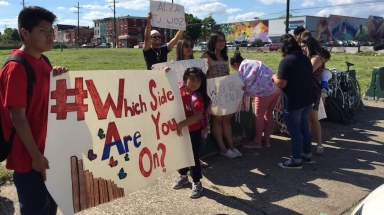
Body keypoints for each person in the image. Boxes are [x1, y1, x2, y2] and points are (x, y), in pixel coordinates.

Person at [0, 6, 68, 214]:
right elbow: (17, 117)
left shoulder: (44, 62)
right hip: (29, 159)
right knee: (35, 210)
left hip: (47, 153)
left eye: (51, 31)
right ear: (25, 33)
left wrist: (57, 77)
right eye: (43, 31)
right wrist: (36, 156)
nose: (50, 36)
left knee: (50, 208)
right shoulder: (16, 68)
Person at [271, 34, 314, 169]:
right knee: (304, 129)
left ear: (284, 47)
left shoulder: (286, 61)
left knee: (295, 132)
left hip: (293, 101)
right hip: (307, 99)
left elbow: (281, 83)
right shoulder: (305, 59)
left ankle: (296, 160)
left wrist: (273, 77)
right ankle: (307, 154)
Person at [201, 31, 242, 158]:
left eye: (223, 40)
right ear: (213, 41)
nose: (222, 43)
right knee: (218, 120)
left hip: (226, 94)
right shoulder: (206, 56)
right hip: (213, 94)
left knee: (227, 120)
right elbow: (202, 76)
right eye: (219, 40)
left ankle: (231, 146)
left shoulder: (225, 58)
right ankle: (222, 148)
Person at [172, 67, 211, 199]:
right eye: (192, 79)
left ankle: (197, 182)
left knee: (192, 156)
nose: (195, 83)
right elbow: (164, 83)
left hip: (193, 131)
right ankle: (183, 176)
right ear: (184, 80)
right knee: (181, 154)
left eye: (198, 81)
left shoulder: (197, 97)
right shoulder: (178, 90)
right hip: (181, 130)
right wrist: (166, 72)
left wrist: (181, 124)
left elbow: (198, 116)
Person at [230, 52, 279, 148]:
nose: (237, 71)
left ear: (235, 65)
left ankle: (257, 142)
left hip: (264, 91)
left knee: (259, 116)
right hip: (275, 88)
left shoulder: (243, 67)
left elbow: (243, 84)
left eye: (234, 69)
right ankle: (267, 141)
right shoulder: (252, 62)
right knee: (268, 115)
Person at [175, 37, 209, 168]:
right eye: (186, 45)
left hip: (194, 104)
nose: (189, 48)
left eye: (191, 45)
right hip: (181, 103)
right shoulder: (174, 64)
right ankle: (185, 167)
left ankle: (195, 160)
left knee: (194, 138)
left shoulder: (198, 64)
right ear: (180, 48)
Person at [300, 36, 326, 155]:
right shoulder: (308, 57)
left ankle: (319, 144)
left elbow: (307, 72)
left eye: (304, 46)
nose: (302, 48)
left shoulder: (316, 58)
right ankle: (308, 144)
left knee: (313, 118)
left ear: (310, 46)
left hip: (312, 90)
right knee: (307, 120)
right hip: (306, 89)